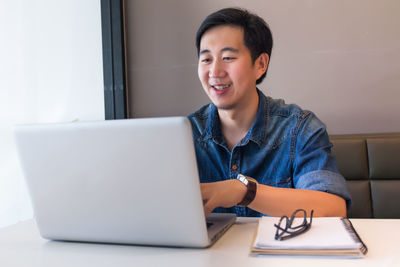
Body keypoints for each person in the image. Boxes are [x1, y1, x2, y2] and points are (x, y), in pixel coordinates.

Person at [187, 7, 351, 218]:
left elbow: (333, 209)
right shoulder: (185, 134)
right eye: (206, 59)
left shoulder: (299, 129)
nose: (215, 72)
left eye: (228, 58)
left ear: (260, 64)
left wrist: (245, 191)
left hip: (278, 251)